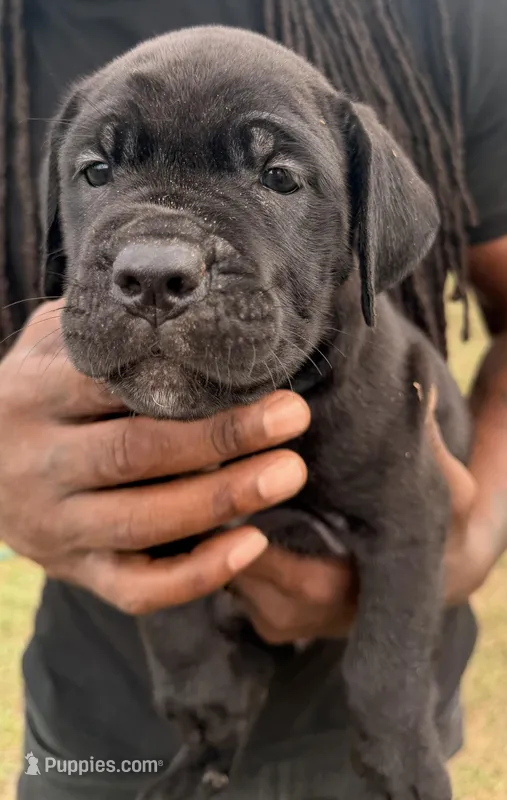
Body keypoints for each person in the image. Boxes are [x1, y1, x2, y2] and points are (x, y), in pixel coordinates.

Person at [0, 0, 506, 797]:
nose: (156, 259)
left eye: (276, 176)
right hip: (106, 723)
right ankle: (202, 724)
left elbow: (408, 518)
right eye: (100, 170)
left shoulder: (449, 19)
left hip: (367, 718)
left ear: (365, 226)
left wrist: (474, 539)